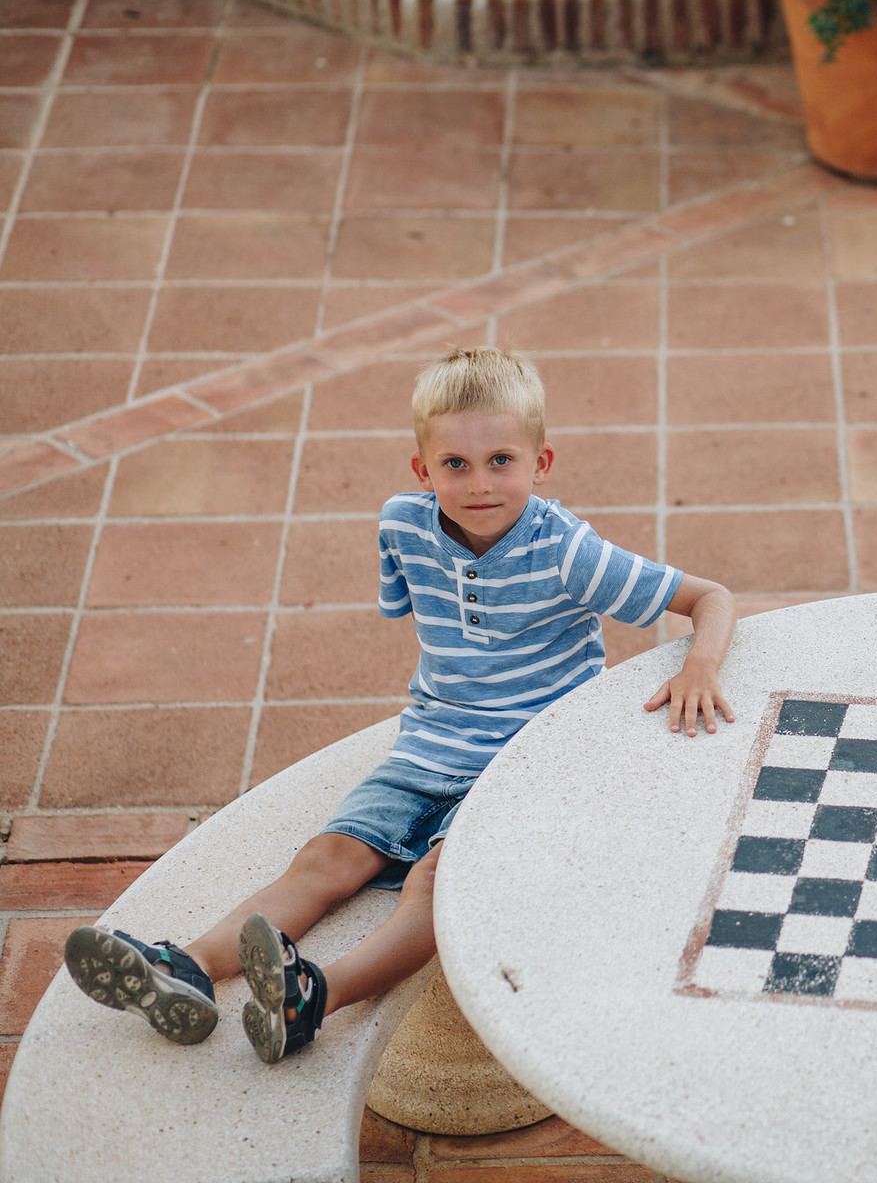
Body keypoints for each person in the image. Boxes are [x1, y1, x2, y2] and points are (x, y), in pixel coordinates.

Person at [63, 346, 737, 1062]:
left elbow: (710, 598)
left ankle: (314, 996)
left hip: (523, 761)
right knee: (324, 861)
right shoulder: (404, 527)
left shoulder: (567, 551)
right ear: (423, 470)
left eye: (501, 460)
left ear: (542, 464)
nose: (480, 483)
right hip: (428, 746)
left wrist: (700, 664)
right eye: (455, 464)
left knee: (433, 885)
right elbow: (424, 616)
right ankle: (186, 968)